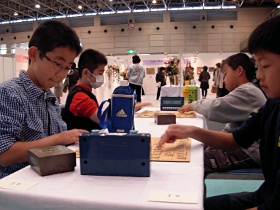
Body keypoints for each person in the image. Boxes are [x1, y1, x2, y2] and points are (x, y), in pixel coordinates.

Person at [158, 15, 280, 210]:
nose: (259, 75)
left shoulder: (250, 92)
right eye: (257, 67)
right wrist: (189, 131)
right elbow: (234, 139)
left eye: (265, 66)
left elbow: (217, 110)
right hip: (264, 195)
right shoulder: (273, 105)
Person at [0, 20, 87, 179]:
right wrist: (58, 139)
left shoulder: (49, 97)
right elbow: (4, 155)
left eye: (67, 68)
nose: (61, 74)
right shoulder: (10, 93)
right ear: (33, 54)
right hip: (18, 187)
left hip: (50, 179)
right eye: (58, 64)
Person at [178, 53, 266, 177]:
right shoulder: (246, 91)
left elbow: (214, 108)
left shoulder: (248, 92)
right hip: (241, 144)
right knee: (196, 151)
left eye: (225, 74)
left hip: (248, 151)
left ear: (239, 71)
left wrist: (194, 105)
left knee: (194, 164)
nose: (224, 80)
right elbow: (230, 129)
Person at [63, 49, 151, 132]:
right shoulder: (80, 97)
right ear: (86, 73)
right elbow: (107, 119)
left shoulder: (85, 93)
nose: (102, 77)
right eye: (100, 73)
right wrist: (129, 109)